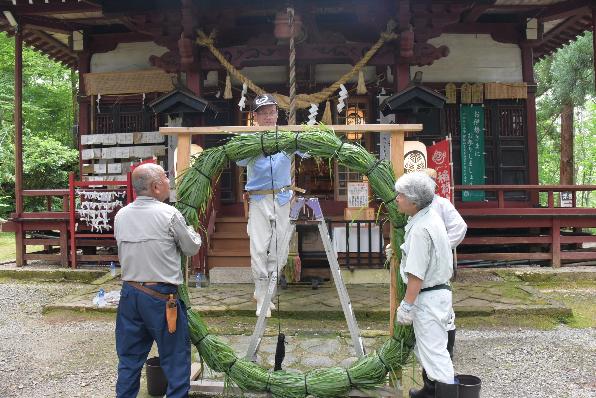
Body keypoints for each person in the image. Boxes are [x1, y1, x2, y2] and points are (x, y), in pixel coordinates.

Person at [114, 163, 202, 398]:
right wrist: (193, 231)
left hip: (130, 295)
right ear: (155, 187)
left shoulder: (121, 215)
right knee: (175, 360)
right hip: (161, 298)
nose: (168, 183)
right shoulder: (169, 214)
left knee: (129, 360)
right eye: (165, 179)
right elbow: (191, 247)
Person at [237, 93, 306, 318]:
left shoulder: (286, 137)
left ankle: (267, 294)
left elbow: (306, 151)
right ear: (255, 116)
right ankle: (260, 295)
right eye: (264, 113)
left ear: (278, 114)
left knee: (281, 249)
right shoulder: (248, 137)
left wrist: (302, 138)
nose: (269, 116)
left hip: (284, 198)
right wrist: (257, 144)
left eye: (272, 112)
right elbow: (238, 159)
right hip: (258, 199)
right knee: (258, 248)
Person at [394, 171, 458, 398]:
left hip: (429, 298)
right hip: (438, 294)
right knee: (434, 352)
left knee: (435, 356)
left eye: (400, 195)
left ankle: (445, 393)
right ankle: (433, 393)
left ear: (413, 200)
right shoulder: (429, 218)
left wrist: (406, 306)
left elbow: (416, 275)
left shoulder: (421, 229)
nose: (397, 199)